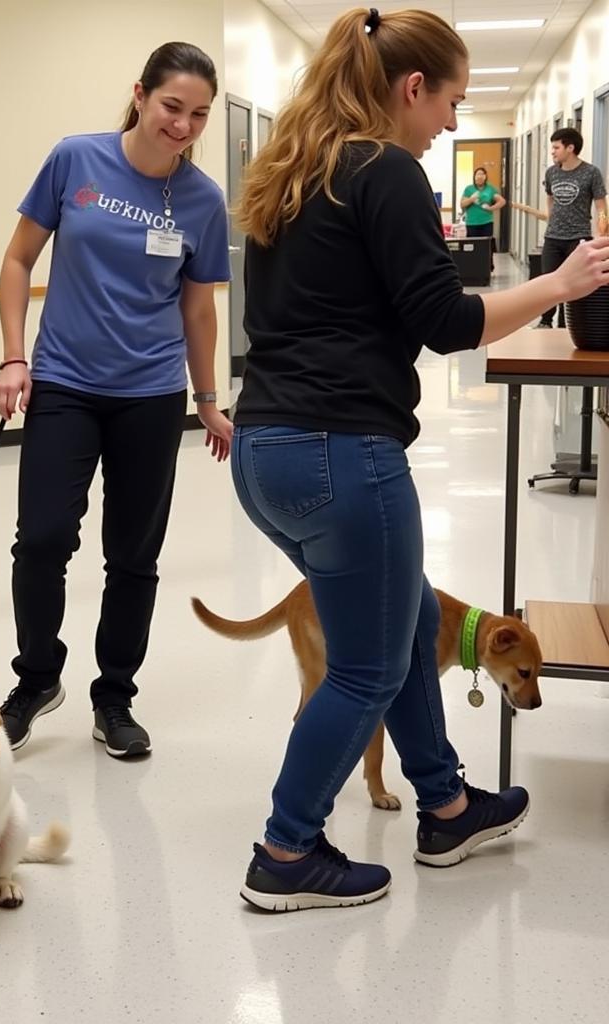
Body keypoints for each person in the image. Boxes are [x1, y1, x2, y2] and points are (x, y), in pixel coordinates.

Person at [230, 6, 609, 911]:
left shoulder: (295, 168)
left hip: (266, 451)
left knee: (399, 635)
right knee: (365, 665)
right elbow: (446, 324)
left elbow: (351, 306)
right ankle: (286, 854)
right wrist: (560, 285)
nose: (449, 122)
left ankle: (443, 803)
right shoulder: (388, 169)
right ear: (410, 89)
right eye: (449, 102)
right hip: (341, 455)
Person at [0, 41, 232, 759]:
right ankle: (36, 679)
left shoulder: (204, 200)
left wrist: (209, 397)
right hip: (63, 382)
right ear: (140, 94)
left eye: (198, 115)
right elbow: (16, 259)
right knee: (41, 541)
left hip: (151, 395)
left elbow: (199, 309)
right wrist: (12, 355)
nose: (183, 125)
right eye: (171, 107)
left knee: (133, 556)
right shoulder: (76, 159)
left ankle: (115, 696)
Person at [537, 126, 609, 327]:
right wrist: (551, 219)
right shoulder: (552, 172)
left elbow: (600, 204)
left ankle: (565, 323)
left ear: (570, 148)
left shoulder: (591, 172)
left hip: (579, 237)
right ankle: (545, 320)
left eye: (556, 147)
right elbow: (550, 198)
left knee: (573, 283)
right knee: (548, 279)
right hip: (553, 237)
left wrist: (602, 228)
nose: (552, 152)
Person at [460, 166, 505, 271]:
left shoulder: (490, 189)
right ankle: (473, 269)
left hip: (486, 222)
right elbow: (462, 204)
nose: (479, 176)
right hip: (472, 223)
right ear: (474, 177)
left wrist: (491, 208)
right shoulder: (469, 189)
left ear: (485, 177)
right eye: (477, 174)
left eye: (482, 174)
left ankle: (487, 269)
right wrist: (472, 199)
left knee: (486, 247)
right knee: (472, 247)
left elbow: (502, 201)